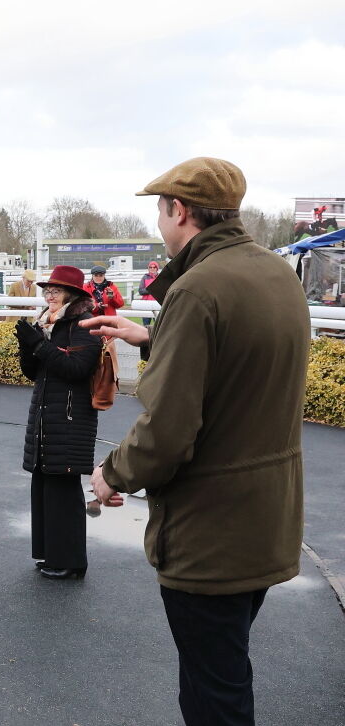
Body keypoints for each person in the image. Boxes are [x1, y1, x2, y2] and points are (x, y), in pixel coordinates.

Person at [83, 157, 310, 725]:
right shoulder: (275, 272)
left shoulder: (197, 289)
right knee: (226, 672)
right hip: (266, 521)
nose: (159, 223)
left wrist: (111, 473)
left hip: (212, 535)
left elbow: (167, 434)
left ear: (179, 211)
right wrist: (155, 336)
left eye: (161, 211)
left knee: (212, 695)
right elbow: (237, 363)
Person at [13, 265, 117, 580]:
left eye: (55, 290)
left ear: (70, 294)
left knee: (63, 486)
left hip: (71, 416)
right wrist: (27, 348)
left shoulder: (84, 324)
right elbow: (36, 373)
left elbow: (77, 368)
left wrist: (39, 345)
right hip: (48, 413)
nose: (48, 294)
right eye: (47, 290)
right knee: (45, 484)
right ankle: (51, 554)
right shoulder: (50, 322)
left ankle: (72, 561)